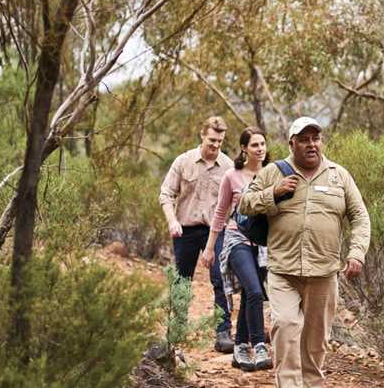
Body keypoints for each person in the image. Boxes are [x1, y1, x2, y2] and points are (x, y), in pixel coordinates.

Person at [239, 116, 370, 388]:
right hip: (283, 270)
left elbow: (360, 216)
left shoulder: (338, 175)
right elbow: (244, 203)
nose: (312, 144)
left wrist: (356, 252)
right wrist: (273, 193)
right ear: (292, 143)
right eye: (304, 139)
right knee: (285, 326)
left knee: (315, 342)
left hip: (323, 273)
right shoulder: (274, 171)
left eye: (316, 138)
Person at [158, 115, 234, 353]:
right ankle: (176, 331)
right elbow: (166, 194)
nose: (215, 145)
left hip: (216, 230)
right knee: (182, 280)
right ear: (202, 134)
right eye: (212, 140)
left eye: (220, 141)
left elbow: (236, 202)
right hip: (185, 229)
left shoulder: (229, 166)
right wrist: (172, 221)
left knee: (221, 279)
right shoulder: (184, 161)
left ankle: (223, 332)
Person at [201, 126, 273, 372]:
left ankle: (240, 347)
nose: (260, 149)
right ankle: (259, 345)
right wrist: (210, 248)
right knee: (254, 291)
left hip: (262, 245)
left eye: (262, 144)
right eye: (254, 145)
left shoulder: (272, 174)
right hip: (236, 239)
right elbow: (221, 212)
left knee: (249, 296)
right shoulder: (232, 176)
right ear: (244, 148)